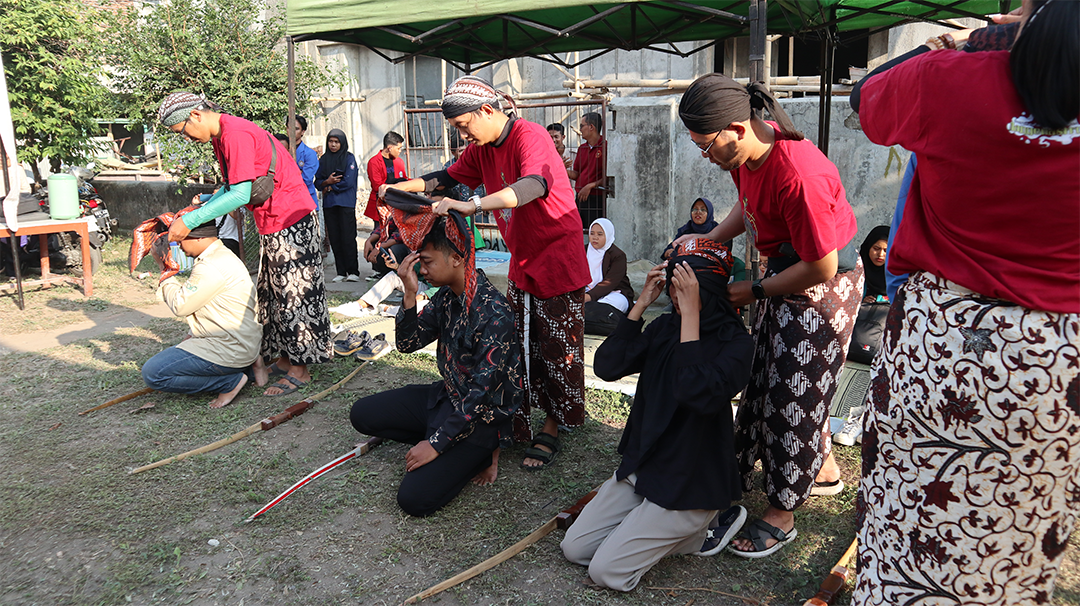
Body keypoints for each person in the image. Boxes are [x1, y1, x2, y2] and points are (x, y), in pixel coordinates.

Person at [849, 2, 1080, 602]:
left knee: (907, 525)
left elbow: (866, 95)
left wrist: (963, 45)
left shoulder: (951, 81)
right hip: (1058, 368)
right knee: (1014, 544)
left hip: (941, 346)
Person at [675, 73, 862, 557]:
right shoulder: (746, 156)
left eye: (706, 145)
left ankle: (783, 509)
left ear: (737, 128)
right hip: (782, 270)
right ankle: (819, 469)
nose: (706, 156)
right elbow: (748, 208)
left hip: (822, 285)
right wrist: (710, 239)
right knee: (765, 374)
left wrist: (754, 290)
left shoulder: (798, 172)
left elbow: (821, 264)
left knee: (793, 390)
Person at [379, 75, 591, 470]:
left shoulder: (530, 137)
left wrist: (472, 206)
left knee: (556, 346)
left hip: (557, 258)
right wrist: (398, 188)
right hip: (523, 258)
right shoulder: (482, 150)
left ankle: (553, 424)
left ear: (488, 111)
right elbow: (447, 177)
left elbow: (533, 186)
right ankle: (519, 418)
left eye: (464, 126)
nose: (463, 137)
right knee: (519, 343)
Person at [561, 238, 754, 590]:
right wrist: (641, 304)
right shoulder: (664, 326)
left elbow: (695, 392)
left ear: (704, 291)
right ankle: (647, 526)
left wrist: (691, 316)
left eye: (686, 291)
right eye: (674, 291)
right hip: (646, 466)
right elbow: (606, 366)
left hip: (691, 481)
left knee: (606, 572)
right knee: (574, 547)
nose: (676, 300)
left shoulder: (736, 344)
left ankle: (703, 532)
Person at [158, 92, 333, 397]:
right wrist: (210, 200)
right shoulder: (221, 135)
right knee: (273, 294)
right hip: (272, 220)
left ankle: (300, 370)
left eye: (183, 130)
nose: (186, 137)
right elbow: (234, 186)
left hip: (290, 217)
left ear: (196, 116)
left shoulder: (234, 134)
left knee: (294, 294)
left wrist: (191, 219)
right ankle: (284, 356)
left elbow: (240, 195)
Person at [350, 209, 522, 516]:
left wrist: (436, 443)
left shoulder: (495, 313)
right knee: (362, 414)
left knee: (414, 499)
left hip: (479, 421)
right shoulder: (446, 297)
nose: (422, 269)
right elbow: (407, 344)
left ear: (456, 258)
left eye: (427, 261)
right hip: (447, 398)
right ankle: (441, 441)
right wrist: (409, 295)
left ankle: (482, 455)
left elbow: (480, 395)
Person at [141, 219, 262, 409]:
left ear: (199, 237)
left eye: (181, 240)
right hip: (240, 342)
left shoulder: (210, 266)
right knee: (177, 353)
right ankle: (252, 366)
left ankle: (229, 382)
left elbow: (181, 305)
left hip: (230, 347)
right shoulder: (221, 255)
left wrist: (166, 270)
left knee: (153, 373)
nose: (179, 246)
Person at [314, 129, 360, 282]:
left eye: (336, 142)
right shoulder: (324, 160)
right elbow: (318, 182)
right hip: (330, 204)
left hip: (346, 203)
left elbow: (348, 181)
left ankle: (353, 271)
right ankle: (341, 271)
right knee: (335, 237)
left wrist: (330, 187)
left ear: (342, 143)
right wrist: (326, 183)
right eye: (330, 141)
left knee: (348, 236)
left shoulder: (349, 158)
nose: (333, 145)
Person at [363, 131, 408, 271]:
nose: (400, 151)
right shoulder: (373, 162)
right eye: (399, 148)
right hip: (380, 205)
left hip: (397, 205)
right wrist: (397, 186)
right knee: (379, 233)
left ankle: (389, 266)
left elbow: (404, 180)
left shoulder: (399, 162)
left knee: (391, 235)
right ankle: (377, 268)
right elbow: (377, 185)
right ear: (389, 148)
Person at [583, 218, 634, 336]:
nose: (595, 237)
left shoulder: (618, 255)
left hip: (614, 293)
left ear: (609, 234)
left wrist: (589, 297)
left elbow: (610, 282)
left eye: (600, 234)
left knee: (611, 303)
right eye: (592, 233)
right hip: (585, 291)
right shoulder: (583, 250)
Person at [567, 112, 605, 227]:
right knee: (576, 230)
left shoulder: (606, 147)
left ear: (591, 127)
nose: (580, 129)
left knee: (593, 232)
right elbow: (577, 174)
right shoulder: (582, 148)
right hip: (580, 198)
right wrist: (562, 169)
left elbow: (609, 177)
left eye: (582, 126)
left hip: (596, 199)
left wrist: (591, 186)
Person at [859, 225, 889, 304]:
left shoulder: (900, 275)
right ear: (868, 247)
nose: (880, 254)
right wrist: (859, 300)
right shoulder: (856, 270)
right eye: (876, 249)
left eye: (886, 250)